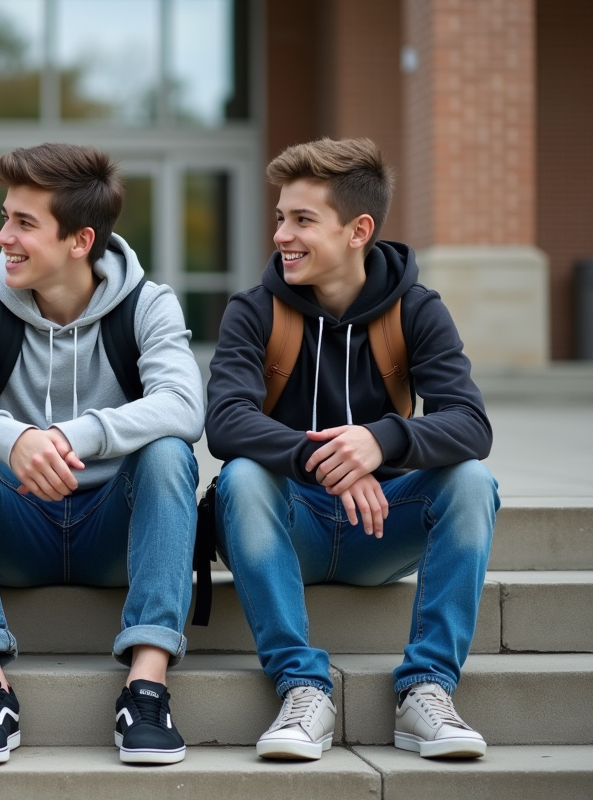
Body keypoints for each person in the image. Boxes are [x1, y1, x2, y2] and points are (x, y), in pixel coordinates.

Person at [0, 143, 204, 766]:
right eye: (4, 217)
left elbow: (184, 405)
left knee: (169, 454)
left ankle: (146, 687)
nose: (2, 237)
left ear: (79, 240)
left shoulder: (149, 302)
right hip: (13, 529)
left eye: (23, 223)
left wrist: (77, 435)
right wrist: (11, 438)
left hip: (112, 536)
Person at [206, 138, 498, 761]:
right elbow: (225, 424)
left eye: (302, 219)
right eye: (281, 216)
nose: (282, 233)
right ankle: (301, 690)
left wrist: (381, 438)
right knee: (241, 479)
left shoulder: (417, 310)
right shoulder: (254, 311)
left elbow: (471, 424)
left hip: (379, 527)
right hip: (289, 525)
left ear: (358, 229)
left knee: (472, 481)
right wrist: (333, 463)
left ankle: (427, 690)